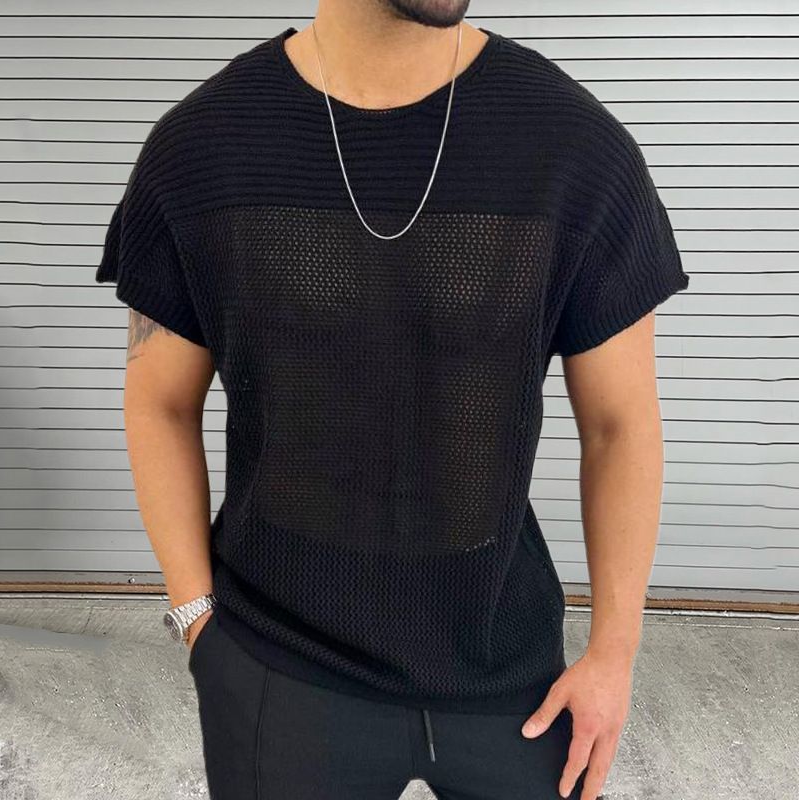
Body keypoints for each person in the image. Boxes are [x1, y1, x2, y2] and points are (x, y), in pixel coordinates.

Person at [95, 1, 690, 798]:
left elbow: (621, 425)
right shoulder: (204, 148)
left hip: (508, 672)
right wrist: (197, 620)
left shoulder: (572, 148)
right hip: (280, 664)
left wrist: (615, 653)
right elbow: (160, 402)